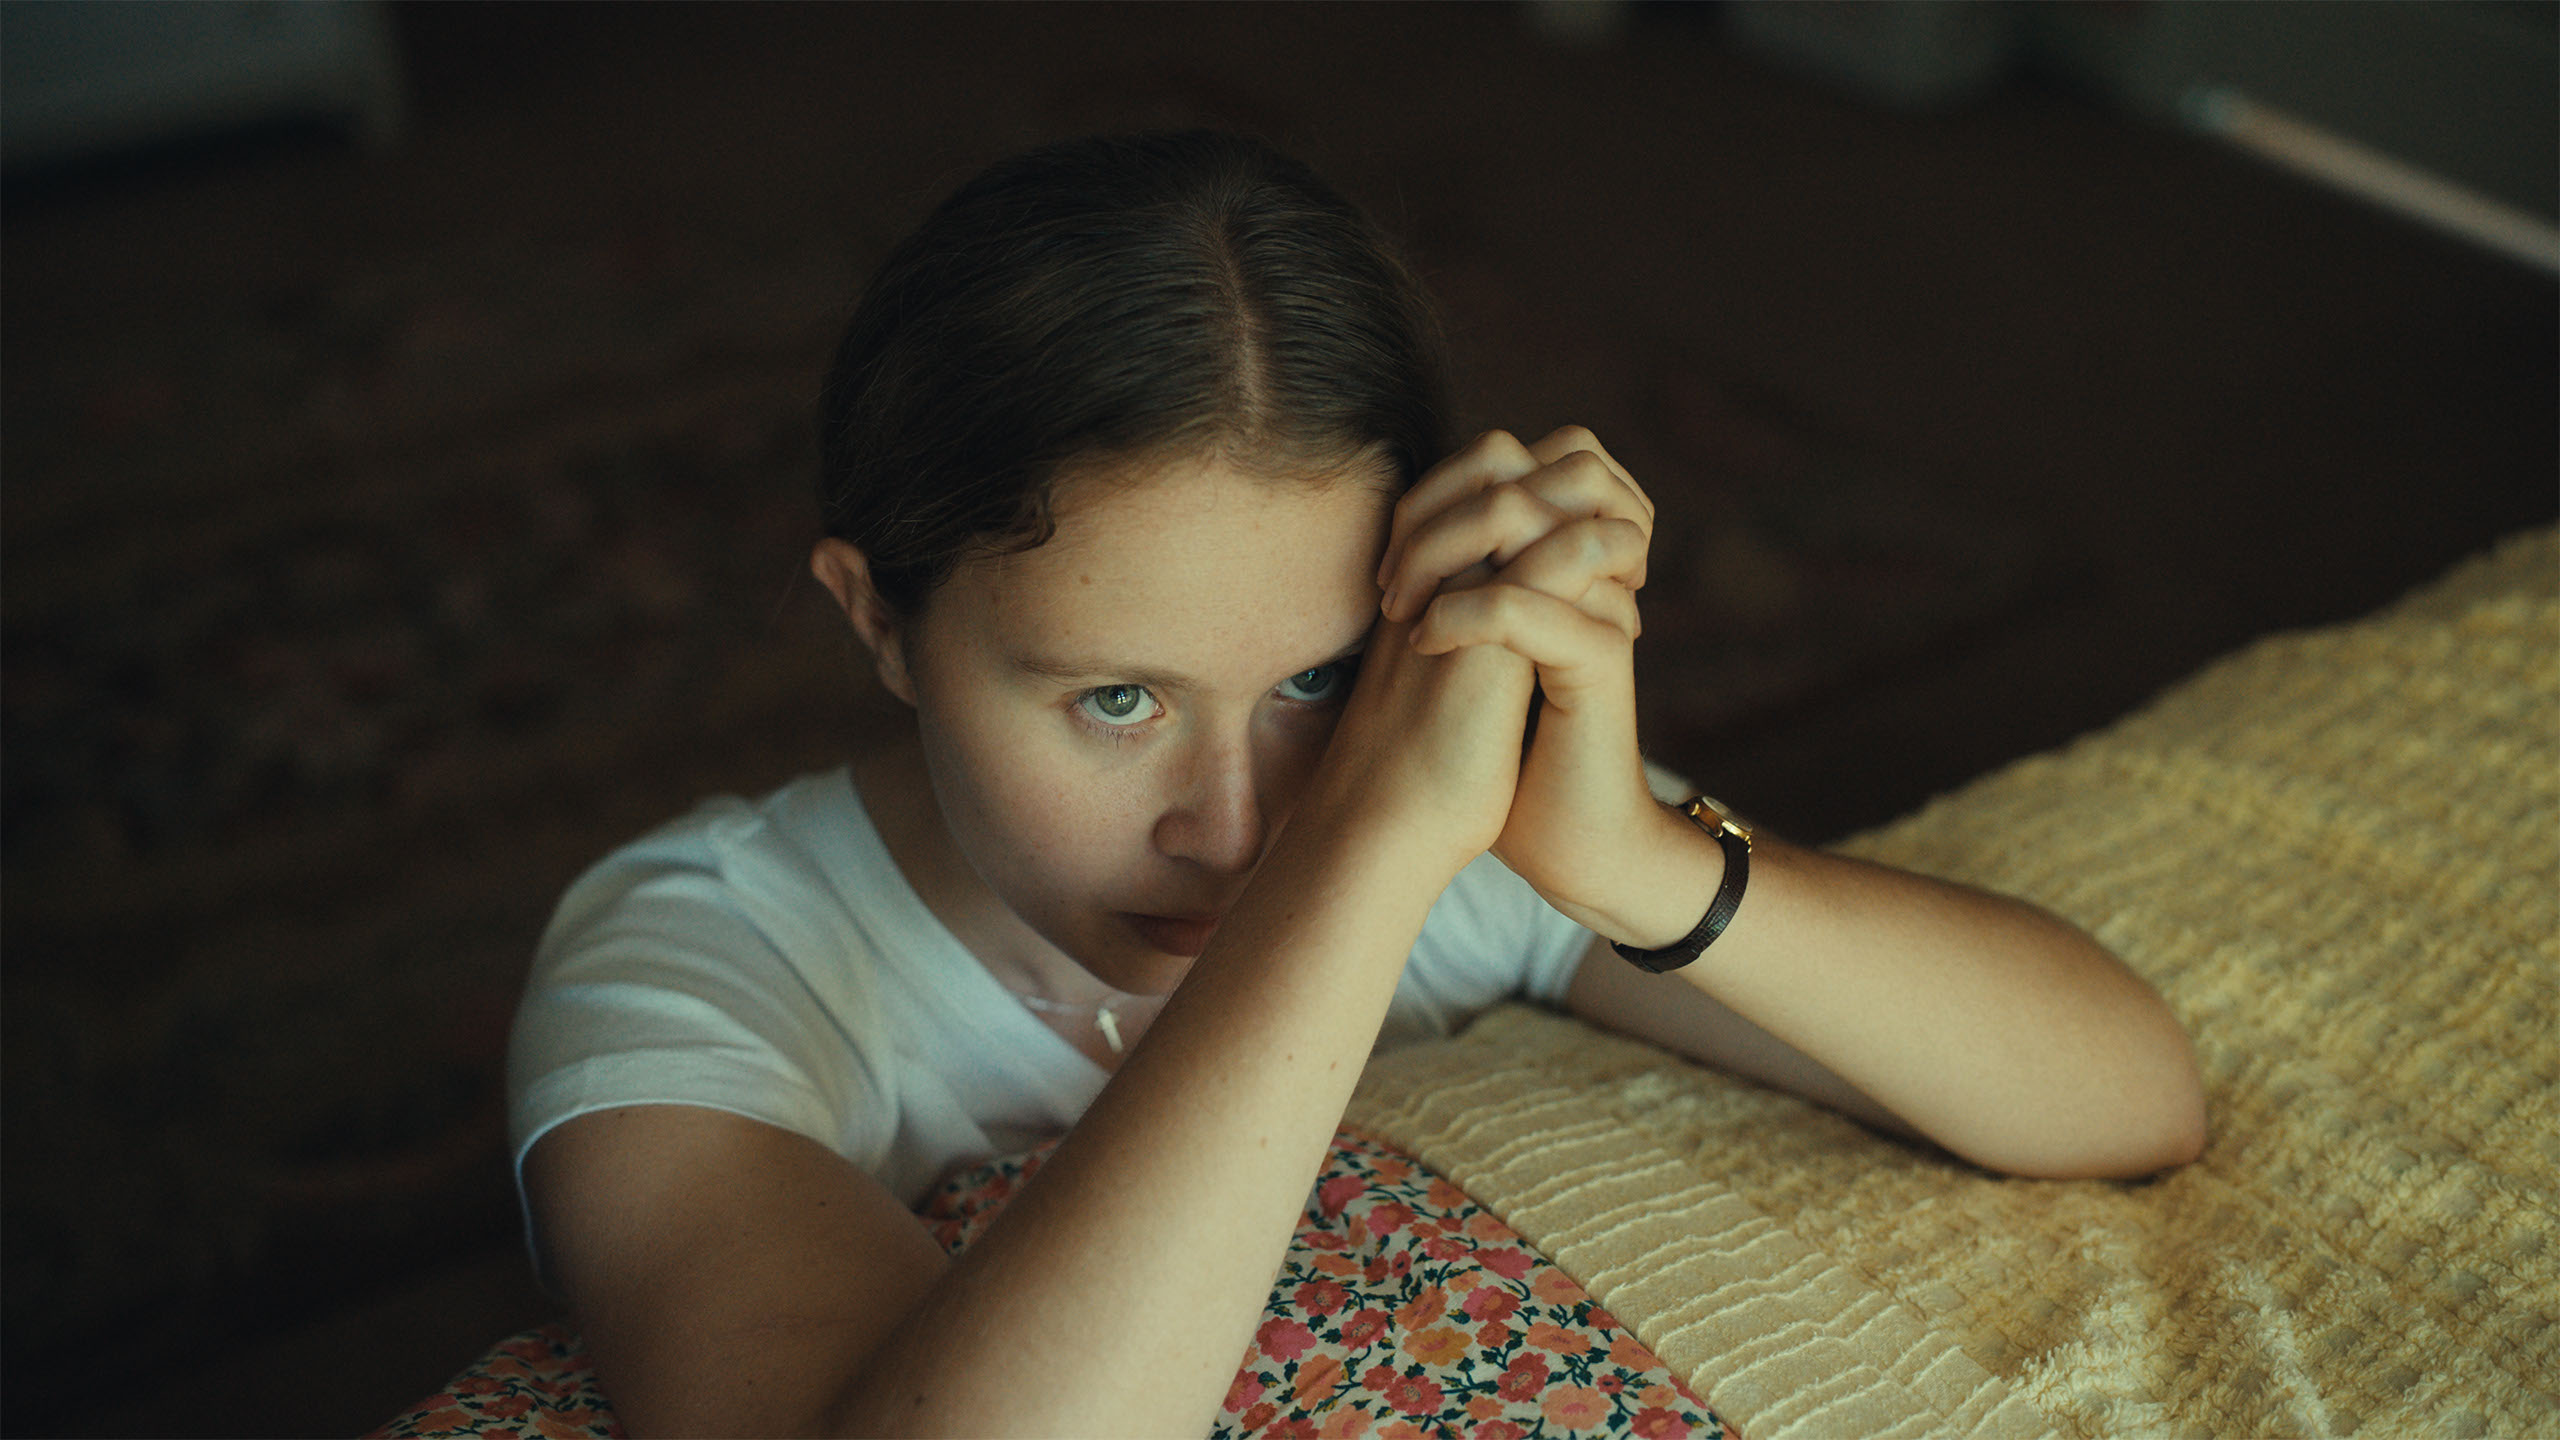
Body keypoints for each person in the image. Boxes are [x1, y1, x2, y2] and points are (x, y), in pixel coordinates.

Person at [509, 130, 2206, 1437]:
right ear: (876, 620)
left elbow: (2128, 1099)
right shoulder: (699, 966)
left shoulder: (1439, 794)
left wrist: (1625, 856)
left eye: (1317, 677)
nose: (1236, 821)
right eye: (1115, 699)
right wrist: (1366, 868)